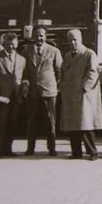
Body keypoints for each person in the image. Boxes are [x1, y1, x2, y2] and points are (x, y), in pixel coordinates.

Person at [59, 29, 102, 160]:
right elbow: (63, 73)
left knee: (86, 125)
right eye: (70, 40)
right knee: (73, 125)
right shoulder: (67, 56)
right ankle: (76, 152)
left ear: (81, 39)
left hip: (84, 95)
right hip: (70, 94)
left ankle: (92, 152)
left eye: (75, 39)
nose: (73, 42)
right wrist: (63, 87)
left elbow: (93, 73)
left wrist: (83, 88)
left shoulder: (89, 54)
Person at [21, 25, 63, 156]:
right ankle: (30, 148)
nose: (39, 38)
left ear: (45, 37)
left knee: (50, 121)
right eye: (37, 35)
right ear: (33, 37)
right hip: (32, 91)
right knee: (31, 121)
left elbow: (60, 71)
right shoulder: (26, 52)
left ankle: (52, 148)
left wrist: (54, 85)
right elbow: (24, 71)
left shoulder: (54, 51)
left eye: (41, 35)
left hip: (49, 91)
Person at [0, 32, 29, 157]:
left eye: (13, 44)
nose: (11, 46)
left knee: (12, 123)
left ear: (17, 44)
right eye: (8, 44)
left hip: (16, 97)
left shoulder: (22, 59)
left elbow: (25, 77)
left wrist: (25, 85)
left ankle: (8, 149)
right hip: (1, 97)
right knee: (0, 124)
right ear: (3, 44)